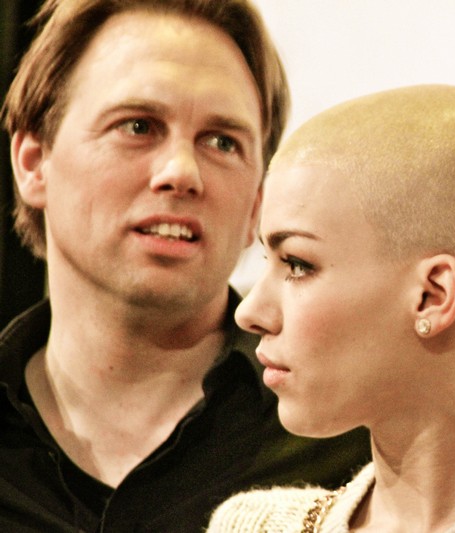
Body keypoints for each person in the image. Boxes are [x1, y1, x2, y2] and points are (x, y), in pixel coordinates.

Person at [0, 1, 370, 531]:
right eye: (138, 126)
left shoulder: (351, 448)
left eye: (222, 142)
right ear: (34, 163)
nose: (181, 172)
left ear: (257, 205)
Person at [206, 84, 455, 532]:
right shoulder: (253, 527)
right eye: (267, 260)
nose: (249, 312)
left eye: (298, 265)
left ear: (432, 296)